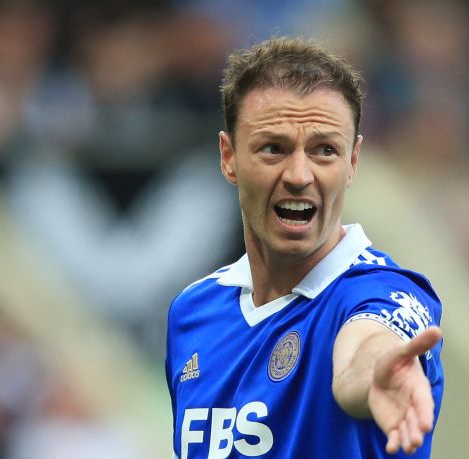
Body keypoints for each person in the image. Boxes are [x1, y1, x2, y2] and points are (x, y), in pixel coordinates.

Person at [165, 37, 444, 459]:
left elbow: (368, 348)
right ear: (229, 157)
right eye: (273, 149)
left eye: (324, 151)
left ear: (352, 162)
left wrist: (374, 376)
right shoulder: (192, 312)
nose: (299, 175)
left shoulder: (384, 292)